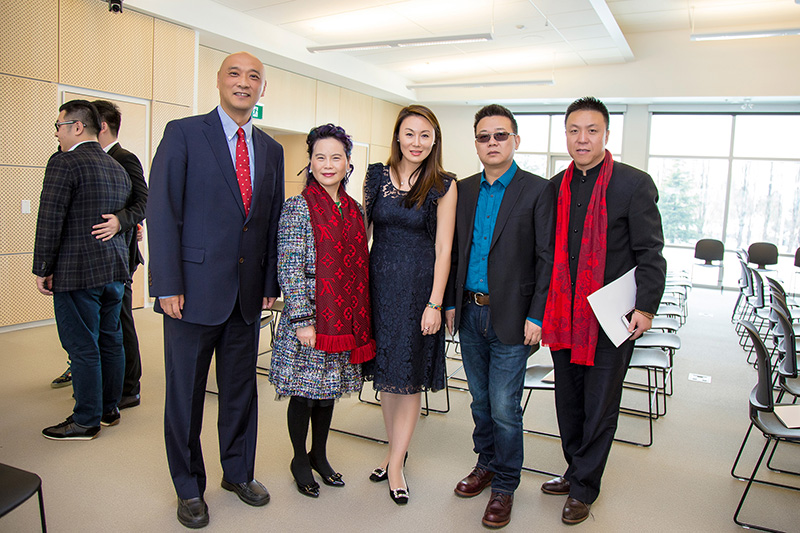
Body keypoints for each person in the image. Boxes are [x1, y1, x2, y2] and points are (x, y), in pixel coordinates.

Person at [147, 51, 284, 529]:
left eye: (253, 77)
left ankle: (238, 473)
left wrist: (269, 282)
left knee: (241, 391)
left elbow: (269, 221)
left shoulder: (270, 149)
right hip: (190, 294)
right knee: (185, 396)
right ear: (219, 80)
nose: (244, 83)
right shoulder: (184, 133)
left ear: (262, 88)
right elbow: (162, 210)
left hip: (246, 297)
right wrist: (166, 283)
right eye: (235, 74)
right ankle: (188, 486)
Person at [541, 96, 666, 525]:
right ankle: (574, 469)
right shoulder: (554, 187)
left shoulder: (633, 184)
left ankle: (584, 487)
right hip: (564, 316)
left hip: (611, 320)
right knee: (568, 401)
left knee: (600, 405)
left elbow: (651, 252)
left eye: (592, 130)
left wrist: (645, 308)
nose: (582, 138)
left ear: (606, 135)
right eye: (574, 130)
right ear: (566, 135)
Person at [444, 104, 555, 528]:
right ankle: (486, 463)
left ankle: (506, 484)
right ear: (476, 143)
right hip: (470, 313)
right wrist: (450, 303)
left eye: (500, 135)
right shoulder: (464, 189)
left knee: (506, 406)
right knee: (479, 400)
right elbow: (455, 251)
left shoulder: (538, 190)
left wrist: (538, 315)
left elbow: (546, 259)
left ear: (516, 140)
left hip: (514, 316)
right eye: (484, 136)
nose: (492, 142)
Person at [270, 124, 374, 499]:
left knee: (327, 391)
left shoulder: (354, 209)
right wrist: (302, 320)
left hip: (342, 317)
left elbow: (358, 266)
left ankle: (319, 454)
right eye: (320, 157)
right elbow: (289, 267)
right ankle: (299, 458)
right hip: (311, 318)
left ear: (348, 163)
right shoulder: (297, 207)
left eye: (336, 157)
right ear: (310, 162)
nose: (328, 165)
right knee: (304, 393)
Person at [364, 104, 457, 505]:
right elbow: (362, 232)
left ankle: (396, 465)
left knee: (409, 375)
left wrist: (435, 303)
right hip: (379, 288)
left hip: (419, 290)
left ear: (434, 141)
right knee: (388, 376)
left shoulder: (444, 184)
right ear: (397, 137)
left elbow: (444, 248)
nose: (416, 142)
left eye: (425, 135)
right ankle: (394, 451)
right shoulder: (375, 176)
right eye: (409, 133)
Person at [34, 99, 131, 440]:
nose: (56, 134)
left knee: (83, 346)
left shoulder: (64, 162)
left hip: (77, 272)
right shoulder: (115, 167)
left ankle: (85, 420)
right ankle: (108, 410)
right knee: (111, 340)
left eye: (59, 126)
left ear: (77, 127)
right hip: (114, 270)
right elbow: (125, 222)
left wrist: (43, 267)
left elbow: (50, 218)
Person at [91, 99, 148, 410]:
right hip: (95, 258)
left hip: (120, 257)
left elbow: (143, 202)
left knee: (121, 322)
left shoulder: (124, 158)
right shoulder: (90, 159)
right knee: (101, 322)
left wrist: (121, 221)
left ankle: (129, 387)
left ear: (101, 126)